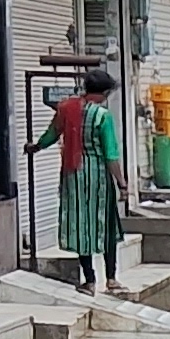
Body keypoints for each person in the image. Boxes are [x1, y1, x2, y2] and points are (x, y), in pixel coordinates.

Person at [33, 64, 121, 291]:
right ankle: (111, 279)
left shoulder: (66, 108)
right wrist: (122, 182)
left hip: (73, 176)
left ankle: (90, 280)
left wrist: (36, 147)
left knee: (82, 226)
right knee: (107, 224)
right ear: (102, 93)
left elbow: (51, 134)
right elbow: (111, 155)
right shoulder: (102, 116)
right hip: (98, 178)